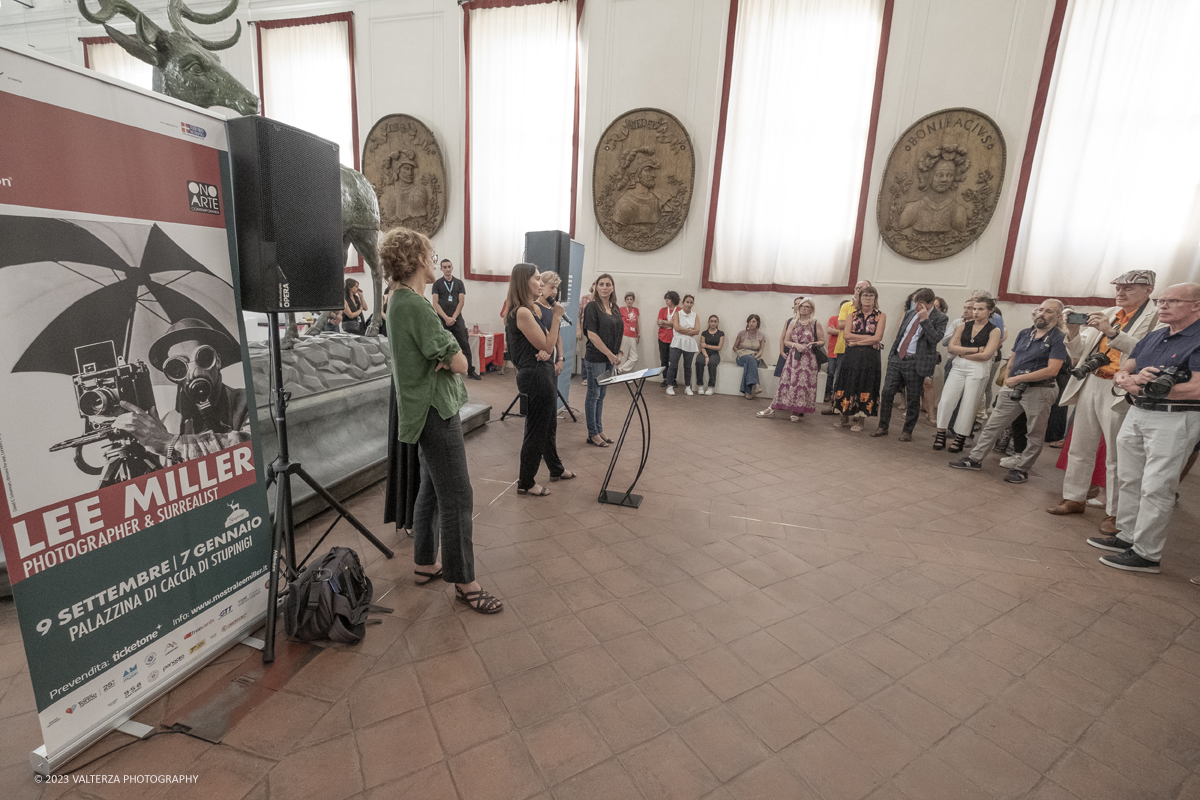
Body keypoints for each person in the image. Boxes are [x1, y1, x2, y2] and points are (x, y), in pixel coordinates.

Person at [381, 227, 500, 613]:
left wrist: (447, 355)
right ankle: (465, 581)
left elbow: (447, 355)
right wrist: (451, 355)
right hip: (435, 411)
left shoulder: (398, 300)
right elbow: (462, 362)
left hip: (426, 408)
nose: (434, 262)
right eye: (430, 256)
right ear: (416, 260)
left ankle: (424, 562)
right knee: (458, 496)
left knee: (431, 488)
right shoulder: (414, 305)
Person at [1088, 283, 1200, 574]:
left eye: (1172, 301)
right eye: (1161, 300)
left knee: (1157, 485)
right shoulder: (1155, 336)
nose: (1162, 305)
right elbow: (1127, 367)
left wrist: (1146, 387)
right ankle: (1127, 536)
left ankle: (1147, 553)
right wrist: (1127, 379)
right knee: (1129, 478)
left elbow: (1196, 388)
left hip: (1175, 417)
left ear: (1196, 305)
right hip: (1138, 411)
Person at [1046, 271, 1158, 533]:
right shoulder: (1109, 311)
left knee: (1117, 454)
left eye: (1129, 288)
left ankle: (1116, 513)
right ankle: (1074, 497)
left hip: (1122, 385)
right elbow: (1078, 353)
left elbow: (1148, 351)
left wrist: (1111, 332)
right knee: (1080, 445)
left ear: (1149, 290)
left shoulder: (1155, 319)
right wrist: (1072, 331)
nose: (1121, 292)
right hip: (1091, 380)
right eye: (1118, 287)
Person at [950, 300, 1068, 483]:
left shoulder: (1058, 338)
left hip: (1040, 390)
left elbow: (1053, 370)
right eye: (1040, 309)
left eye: (1048, 311)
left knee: (1034, 434)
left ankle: (1022, 469)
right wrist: (1007, 383)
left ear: (1058, 316)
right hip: (1013, 387)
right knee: (992, 425)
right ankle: (974, 459)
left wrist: (1020, 379)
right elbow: (1012, 360)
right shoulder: (1025, 333)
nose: (1042, 314)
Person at [114, 318, 249, 463]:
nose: (193, 371)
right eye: (178, 366)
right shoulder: (169, 422)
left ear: (217, 360)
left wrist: (168, 444)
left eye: (203, 357)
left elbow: (248, 450)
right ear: (172, 374)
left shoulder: (246, 402)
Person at [506, 264, 574, 497]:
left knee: (542, 427)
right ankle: (526, 481)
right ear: (525, 282)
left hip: (541, 372)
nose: (541, 284)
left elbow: (547, 342)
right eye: (537, 279)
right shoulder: (523, 312)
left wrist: (549, 346)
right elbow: (547, 343)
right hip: (535, 376)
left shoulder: (527, 310)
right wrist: (556, 319)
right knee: (536, 430)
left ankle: (552, 469)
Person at [873, 287, 947, 441]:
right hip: (898, 359)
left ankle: (907, 431)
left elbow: (934, 339)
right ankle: (882, 426)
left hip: (915, 362)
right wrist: (893, 355)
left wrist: (925, 319)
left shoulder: (940, 318)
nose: (917, 306)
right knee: (887, 392)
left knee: (913, 398)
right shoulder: (909, 314)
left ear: (931, 303)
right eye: (915, 302)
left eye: (920, 303)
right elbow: (901, 335)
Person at [935, 298, 1001, 451]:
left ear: (990, 311)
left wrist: (963, 352)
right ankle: (940, 433)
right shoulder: (963, 326)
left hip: (978, 368)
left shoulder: (994, 330)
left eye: (980, 309)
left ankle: (960, 437)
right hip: (958, 367)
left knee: (969, 404)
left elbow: (987, 355)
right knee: (946, 400)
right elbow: (951, 348)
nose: (975, 312)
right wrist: (976, 350)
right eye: (974, 309)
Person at [831, 286, 886, 432]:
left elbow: (878, 337)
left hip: (870, 357)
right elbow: (846, 335)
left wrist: (857, 342)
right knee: (847, 382)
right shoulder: (852, 315)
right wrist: (869, 339)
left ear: (875, 298)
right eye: (865, 295)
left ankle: (861, 420)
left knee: (865, 385)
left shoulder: (881, 316)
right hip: (851, 355)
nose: (868, 298)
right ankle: (844, 416)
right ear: (859, 298)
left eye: (871, 295)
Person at [758, 297, 820, 422]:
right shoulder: (791, 321)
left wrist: (812, 344)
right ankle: (774, 407)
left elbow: (821, 340)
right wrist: (786, 349)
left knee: (801, 385)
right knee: (785, 383)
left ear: (811, 309)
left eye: (804, 305)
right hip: (792, 356)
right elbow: (784, 339)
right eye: (798, 305)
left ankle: (796, 411)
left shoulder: (815, 323)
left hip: (808, 359)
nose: (801, 307)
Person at [582, 274, 624, 447]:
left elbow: (619, 332)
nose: (605, 287)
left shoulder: (615, 308)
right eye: (601, 284)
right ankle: (592, 433)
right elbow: (592, 334)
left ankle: (599, 429)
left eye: (608, 284)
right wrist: (609, 354)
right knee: (594, 394)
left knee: (602, 395)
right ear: (596, 287)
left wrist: (618, 352)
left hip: (610, 358)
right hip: (596, 357)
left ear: (613, 287)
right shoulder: (592, 307)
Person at [823, 280, 872, 415]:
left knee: (857, 381)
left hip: (861, 349)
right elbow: (840, 325)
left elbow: (868, 328)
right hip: (843, 348)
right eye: (856, 288)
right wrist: (858, 317)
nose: (857, 290)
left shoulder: (872, 309)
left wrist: (853, 319)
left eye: (861, 288)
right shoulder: (846, 305)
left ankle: (856, 410)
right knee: (839, 379)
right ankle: (835, 406)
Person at [432, 259, 481, 381]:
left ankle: (470, 370)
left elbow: (461, 301)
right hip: (443, 319)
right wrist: (446, 318)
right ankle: (441, 369)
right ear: (441, 269)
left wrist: (453, 317)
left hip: (456, 319)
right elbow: (435, 303)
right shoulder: (437, 284)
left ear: (452, 267)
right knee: (441, 344)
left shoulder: (459, 283)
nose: (447, 269)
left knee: (464, 343)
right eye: (445, 267)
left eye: (449, 266)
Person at [665, 294, 700, 396]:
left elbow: (697, 331)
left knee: (688, 366)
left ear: (693, 304)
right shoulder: (677, 314)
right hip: (677, 342)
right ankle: (669, 386)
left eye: (691, 302)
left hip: (690, 343)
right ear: (683, 303)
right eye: (687, 302)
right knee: (673, 365)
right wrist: (690, 330)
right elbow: (676, 328)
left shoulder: (695, 316)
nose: (689, 304)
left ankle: (687, 386)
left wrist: (685, 330)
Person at [733, 315, 767, 399]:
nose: (751, 323)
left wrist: (755, 357)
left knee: (749, 363)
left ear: (758, 323)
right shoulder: (742, 333)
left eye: (753, 321)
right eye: (749, 321)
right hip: (742, 356)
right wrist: (739, 353)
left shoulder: (761, 336)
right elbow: (734, 347)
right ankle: (757, 385)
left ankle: (747, 392)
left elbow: (761, 351)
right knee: (749, 359)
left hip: (755, 356)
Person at [695, 315, 724, 395]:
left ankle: (711, 386)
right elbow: (702, 346)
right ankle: (700, 385)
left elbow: (719, 347)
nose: (713, 323)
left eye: (715, 321)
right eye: (711, 321)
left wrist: (707, 346)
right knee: (699, 361)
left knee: (712, 363)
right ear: (708, 322)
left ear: (718, 323)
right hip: (704, 352)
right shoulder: (704, 333)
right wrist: (706, 356)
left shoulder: (721, 334)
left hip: (715, 353)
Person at [657, 291, 680, 385]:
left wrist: (664, 322)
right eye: (666, 298)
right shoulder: (662, 310)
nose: (666, 300)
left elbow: (677, 324)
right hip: (662, 338)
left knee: (673, 360)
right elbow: (658, 322)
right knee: (664, 359)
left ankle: (673, 379)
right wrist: (670, 323)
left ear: (673, 299)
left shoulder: (679, 311)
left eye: (668, 298)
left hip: (674, 339)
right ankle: (665, 379)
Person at [618, 291, 641, 373]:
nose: (629, 301)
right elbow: (618, 322)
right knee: (623, 355)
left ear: (633, 300)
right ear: (625, 300)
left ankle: (620, 370)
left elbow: (636, 323)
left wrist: (638, 334)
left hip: (633, 335)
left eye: (631, 299)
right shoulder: (621, 309)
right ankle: (619, 375)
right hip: (624, 334)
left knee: (634, 357)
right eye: (627, 299)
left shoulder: (636, 310)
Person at [823, 306, 843, 403]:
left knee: (840, 376)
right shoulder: (833, 318)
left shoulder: (851, 320)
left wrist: (837, 331)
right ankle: (828, 393)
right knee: (830, 374)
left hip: (844, 352)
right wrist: (843, 332)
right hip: (832, 351)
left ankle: (837, 396)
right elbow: (830, 330)